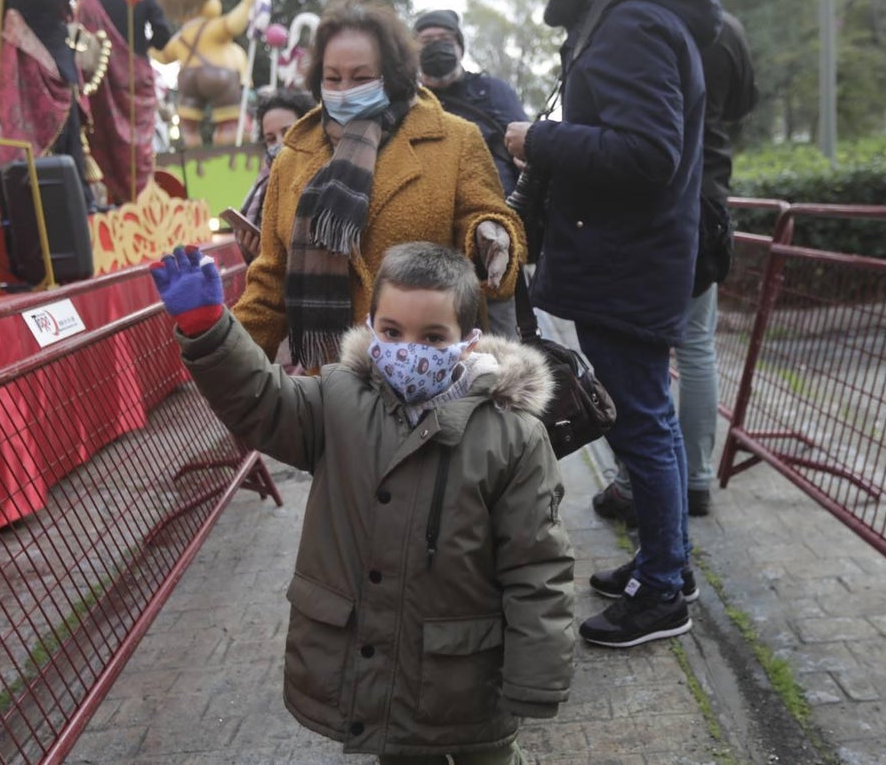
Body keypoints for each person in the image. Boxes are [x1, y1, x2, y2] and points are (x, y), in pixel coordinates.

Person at [150, 242, 575, 764]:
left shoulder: (511, 436)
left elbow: (537, 564)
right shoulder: (337, 402)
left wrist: (535, 677)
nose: (408, 350)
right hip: (382, 674)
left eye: (432, 337)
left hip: (467, 671)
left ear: (467, 342)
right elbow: (262, 400)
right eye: (392, 332)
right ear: (371, 327)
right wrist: (208, 327)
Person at [505, 0, 721, 648]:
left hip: (627, 264)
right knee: (651, 421)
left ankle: (660, 593)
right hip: (631, 259)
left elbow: (649, 151)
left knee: (642, 425)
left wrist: (538, 139)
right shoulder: (634, 19)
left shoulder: (632, 22)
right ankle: (667, 565)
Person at [233, 0, 525, 370]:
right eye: (333, 78)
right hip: (332, 380)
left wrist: (489, 234)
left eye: (360, 78)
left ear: (391, 74)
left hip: (430, 373)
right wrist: (222, 347)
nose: (344, 90)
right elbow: (270, 280)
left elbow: (486, 215)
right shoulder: (292, 158)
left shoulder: (455, 139)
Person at [590, 10, 758, 521]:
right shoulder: (725, 25)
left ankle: (634, 481)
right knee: (696, 345)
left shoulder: (635, 19)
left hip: (651, 202)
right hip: (708, 194)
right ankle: (696, 479)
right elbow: (743, 104)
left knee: (637, 346)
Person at [412, 9, 528, 339]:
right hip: (428, 243)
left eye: (444, 39)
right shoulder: (408, 101)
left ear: (460, 46)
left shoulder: (493, 92)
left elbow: (525, 156)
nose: (436, 46)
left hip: (490, 236)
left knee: (500, 341)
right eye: (426, 41)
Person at [77, 0, 175, 205]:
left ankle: (117, 202)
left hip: (103, 84)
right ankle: (142, 200)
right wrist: (141, 45)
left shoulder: (88, 3)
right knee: (138, 151)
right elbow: (163, 36)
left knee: (106, 145)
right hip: (137, 77)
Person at [1, 0, 97, 209]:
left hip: (53, 48)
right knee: (50, 137)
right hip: (33, 51)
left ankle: (80, 197)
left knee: (71, 135)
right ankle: (63, 201)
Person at [154, 0, 254, 147]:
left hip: (187, 80)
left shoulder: (180, 37)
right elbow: (234, 24)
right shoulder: (214, 26)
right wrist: (247, 4)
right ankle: (228, 143)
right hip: (218, 76)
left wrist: (144, 44)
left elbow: (163, 56)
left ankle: (190, 145)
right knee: (227, 123)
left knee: (189, 125)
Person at [235, 89, 316, 263]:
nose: (280, 142)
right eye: (271, 139)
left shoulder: (324, 178)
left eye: (288, 132)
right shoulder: (264, 184)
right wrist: (261, 256)